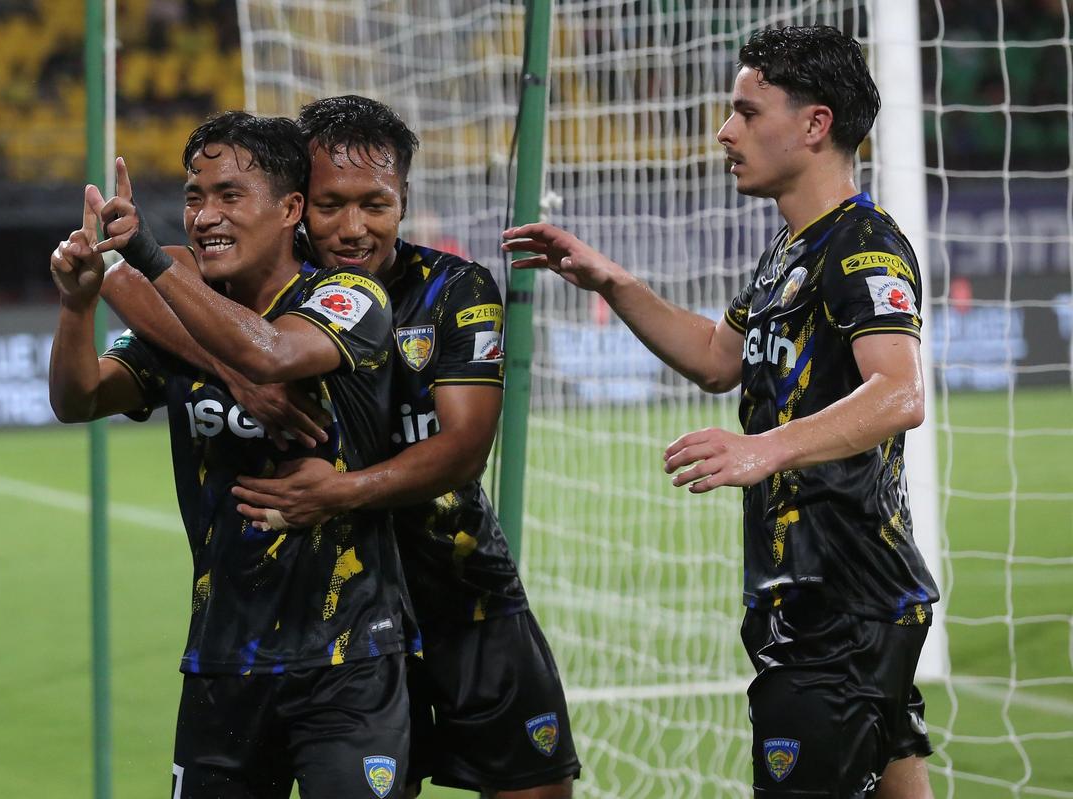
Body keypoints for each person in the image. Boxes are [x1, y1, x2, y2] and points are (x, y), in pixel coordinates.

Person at [502, 26, 939, 799]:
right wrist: (611, 282)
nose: (724, 132)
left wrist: (765, 449)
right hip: (834, 593)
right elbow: (716, 355)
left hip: (840, 601)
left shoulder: (862, 246)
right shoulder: (790, 250)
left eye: (745, 111)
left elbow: (900, 392)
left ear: (814, 125)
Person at [104, 96, 580, 799]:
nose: (353, 229)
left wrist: (339, 490)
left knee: (537, 789)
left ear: (404, 200)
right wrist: (241, 371)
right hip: (340, 629)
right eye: (332, 206)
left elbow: (465, 447)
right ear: (296, 205)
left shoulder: (453, 289)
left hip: (456, 593)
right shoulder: (256, 295)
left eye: (376, 205)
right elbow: (131, 274)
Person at [48, 111, 412, 799]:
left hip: (348, 659)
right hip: (223, 659)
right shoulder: (183, 308)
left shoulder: (347, 297)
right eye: (193, 196)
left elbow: (269, 353)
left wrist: (147, 260)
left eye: (228, 196)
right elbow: (80, 396)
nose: (205, 215)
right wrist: (76, 307)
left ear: (290, 209)